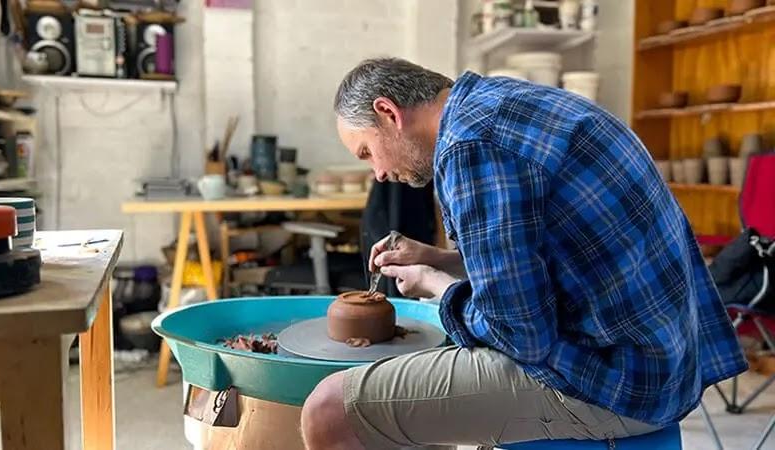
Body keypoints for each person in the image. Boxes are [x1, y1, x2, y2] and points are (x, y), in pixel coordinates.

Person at [299, 58, 748, 450]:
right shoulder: (499, 103)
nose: (378, 172)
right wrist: (441, 258)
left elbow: (519, 334)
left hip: (617, 382)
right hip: (664, 357)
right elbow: (543, 252)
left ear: (388, 112)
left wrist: (437, 286)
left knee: (328, 409)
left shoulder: (470, 148)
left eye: (367, 153)